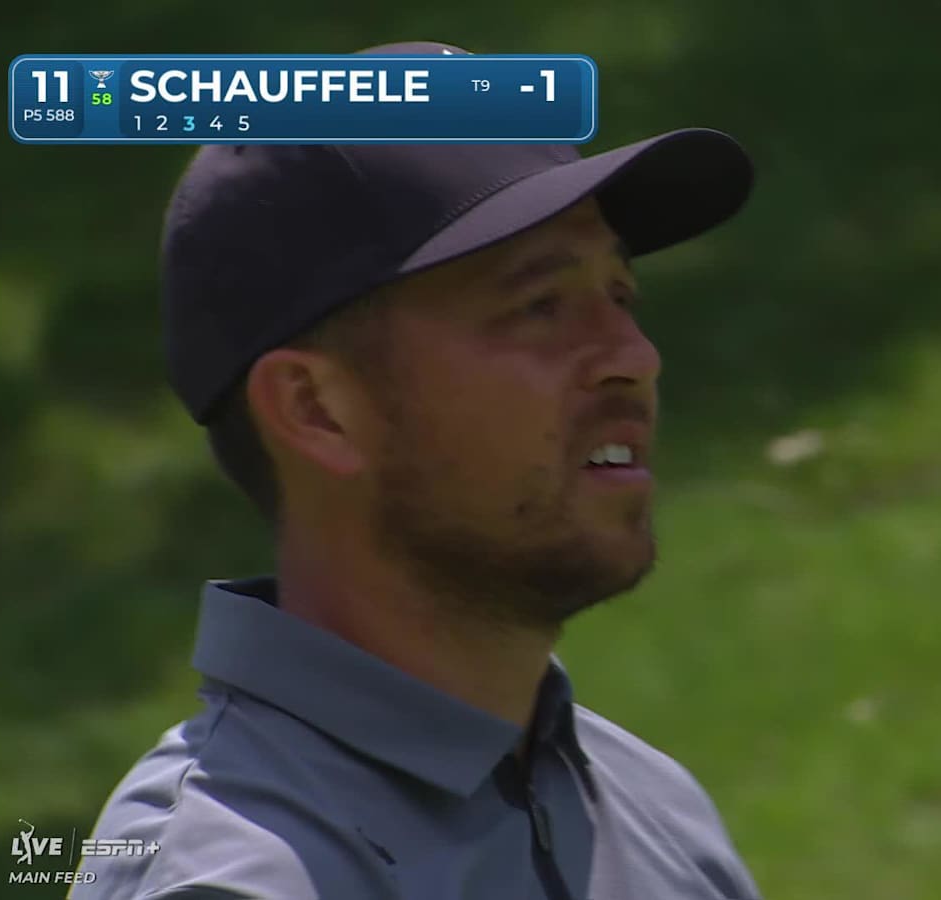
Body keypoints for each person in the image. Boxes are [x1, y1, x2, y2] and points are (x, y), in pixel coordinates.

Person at [72, 40, 761, 900]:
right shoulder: (233, 877)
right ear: (317, 410)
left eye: (621, 297)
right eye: (540, 304)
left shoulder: (652, 806)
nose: (634, 357)